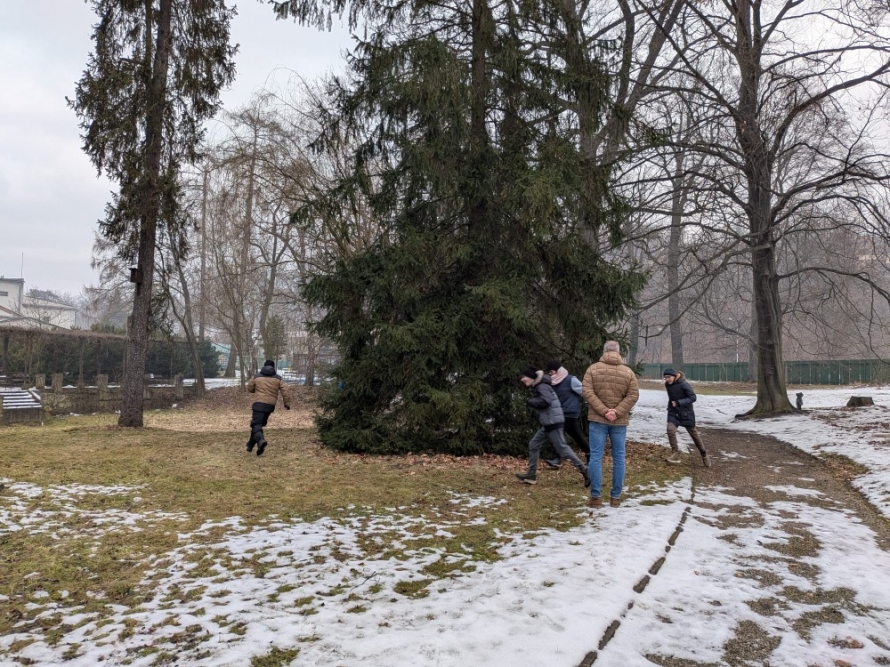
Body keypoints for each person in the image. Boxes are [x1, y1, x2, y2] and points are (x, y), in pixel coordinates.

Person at [582, 341, 639, 508]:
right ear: (619, 352)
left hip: (597, 419)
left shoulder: (592, 369)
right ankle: (615, 497)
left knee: (596, 457)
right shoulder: (628, 372)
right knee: (619, 458)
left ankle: (596, 497)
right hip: (619, 422)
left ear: (604, 351)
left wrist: (604, 411)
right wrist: (617, 412)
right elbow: (633, 395)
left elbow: (587, 392)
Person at [516, 367, 589, 486]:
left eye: (524, 377)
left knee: (562, 448)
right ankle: (531, 475)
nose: (522, 379)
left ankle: (584, 470)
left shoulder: (542, 386)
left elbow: (546, 401)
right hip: (549, 422)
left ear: (531, 377)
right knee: (533, 444)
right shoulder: (540, 385)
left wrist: (531, 401)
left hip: (553, 422)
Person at [542, 359, 590, 468]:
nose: (550, 374)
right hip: (560, 412)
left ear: (557, 370)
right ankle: (589, 454)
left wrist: (590, 402)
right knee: (577, 435)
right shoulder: (552, 382)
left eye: (551, 371)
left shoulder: (571, 380)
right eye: (549, 372)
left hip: (569, 412)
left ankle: (557, 459)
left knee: (557, 433)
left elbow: (584, 391)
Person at [662, 368, 710, 467]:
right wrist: (671, 406)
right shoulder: (667, 385)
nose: (667, 379)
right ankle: (675, 453)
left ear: (674, 376)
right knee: (670, 430)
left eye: (669, 377)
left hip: (686, 413)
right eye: (665, 377)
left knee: (694, 435)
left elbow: (693, 397)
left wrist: (679, 402)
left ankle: (704, 454)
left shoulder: (684, 384)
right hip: (674, 412)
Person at [246, 359, 291, 456]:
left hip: (259, 403)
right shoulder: (278, 378)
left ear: (264, 366)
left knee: (256, 424)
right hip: (270, 405)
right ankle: (250, 445)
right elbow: (285, 391)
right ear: (273, 367)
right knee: (258, 425)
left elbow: (250, 388)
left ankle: (260, 440)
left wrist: (255, 389)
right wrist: (286, 403)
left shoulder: (256, 376)